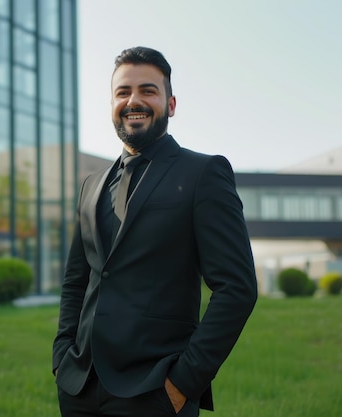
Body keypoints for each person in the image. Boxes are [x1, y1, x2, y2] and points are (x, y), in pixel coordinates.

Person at [52, 46, 258, 417]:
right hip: (79, 388)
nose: (134, 100)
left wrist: (183, 384)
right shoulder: (91, 185)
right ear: (112, 103)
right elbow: (76, 282)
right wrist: (62, 357)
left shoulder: (203, 174)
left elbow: (237, 288)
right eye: (123, 92)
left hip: (155, 393)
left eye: (148, 90)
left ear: (171, 104)